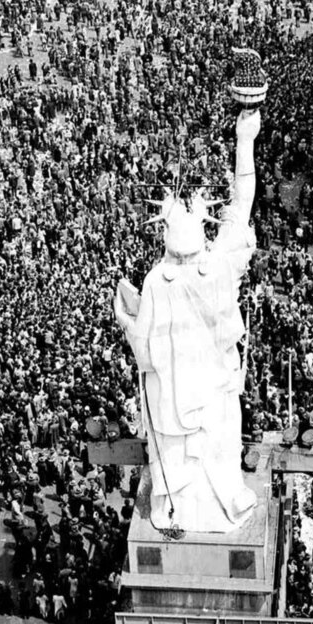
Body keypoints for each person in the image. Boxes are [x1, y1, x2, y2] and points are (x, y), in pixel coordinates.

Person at [113, 107, 262, 532]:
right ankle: (219, 498)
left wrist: (127, 318)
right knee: (216, 445)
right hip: (213, 392)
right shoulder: (215, 268)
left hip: (174, 401)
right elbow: (241, 204)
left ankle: (176, 505)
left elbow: (143, 348)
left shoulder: (158, 280)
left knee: (180, 455)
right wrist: (244, 141)